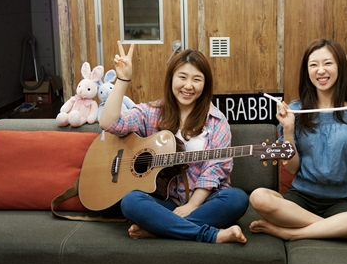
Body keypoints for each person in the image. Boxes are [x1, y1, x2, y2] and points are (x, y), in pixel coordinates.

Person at [100, 41, 248, 244]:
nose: (188, 86)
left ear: (205, 85)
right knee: (130, 201)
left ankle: (159, 229)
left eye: (197, 79)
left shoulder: (217, 121)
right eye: (182, 77)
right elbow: (109, 124)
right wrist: (123, 79)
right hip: (163, 202)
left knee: (237, 199)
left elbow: (215, 169)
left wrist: (192, 205)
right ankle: (210, 235)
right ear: (171, 79)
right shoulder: (151, 112)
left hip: (204, 203)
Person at [249, 38, 347, 245]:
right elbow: (291, 169)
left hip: (339, 201)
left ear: (340, 68)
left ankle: (291, 233)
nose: (320, 70)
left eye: (328, 63)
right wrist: (288, 130)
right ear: (307, 72)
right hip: (299, 199)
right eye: (313, 65)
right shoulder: (295, 110)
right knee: (258, 197)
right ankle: (339, 229)